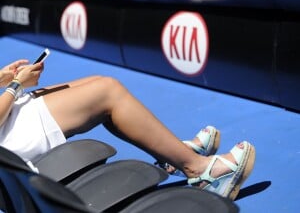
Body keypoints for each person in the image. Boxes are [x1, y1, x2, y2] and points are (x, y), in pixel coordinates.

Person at [0, 58, 255, 200]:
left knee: (97, 82)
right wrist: (14, 85)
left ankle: (173, 154)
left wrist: (2, 78)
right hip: (10, 140)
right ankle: (201, 171)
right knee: (107, 93)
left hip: (8, 119)